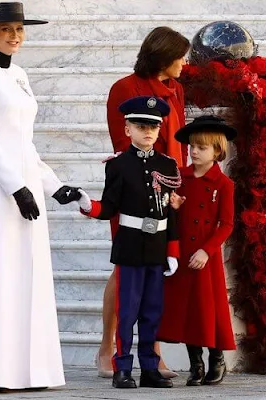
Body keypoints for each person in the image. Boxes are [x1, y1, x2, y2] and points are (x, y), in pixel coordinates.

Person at [0, 2, 82, 392]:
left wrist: (51, 184)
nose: (14, 36)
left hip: (25, 187)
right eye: (6, 29)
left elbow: (24, 143)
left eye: (19, 29)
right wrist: (16, 187)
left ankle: (29, 371)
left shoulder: (21, 74)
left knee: (28, 275)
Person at [96, 25, 190, 378]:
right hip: (133, 192)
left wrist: (175, 188)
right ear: (163, 57)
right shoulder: (125, 88)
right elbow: (123, 147)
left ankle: (152, 352)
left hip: (168, 194)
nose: (184, 62)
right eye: (179, 56)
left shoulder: (176, 88)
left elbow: (177, 144)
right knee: (125, 269)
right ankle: (107, 348)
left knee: (155, 271)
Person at [78, 96, 181, 389]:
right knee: (127, 312)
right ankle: (122, 367)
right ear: (127, 130)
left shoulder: (168, 165)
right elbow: (109, 207)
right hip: (130, 247)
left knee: (152, 311)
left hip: (157, 246)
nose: (147, 131)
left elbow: (171, 211)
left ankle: (149, 368)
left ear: (160, 129)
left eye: (153, 126)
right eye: (140, 125)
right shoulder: (119, 165)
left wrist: (172, 250)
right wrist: (88, 205)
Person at [157, 115, 236, 386]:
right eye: (192, 146)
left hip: (205, 256)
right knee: (187, 309)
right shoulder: (181, 178)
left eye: (201, 147)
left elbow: (226, 224)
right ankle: (196, 363)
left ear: (216, 150)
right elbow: (170, 214)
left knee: (208, 308)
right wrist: (174, 208)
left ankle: (217, 358)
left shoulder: (224, 185)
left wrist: (207, 251)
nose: (194, 151)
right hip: (183, 253)